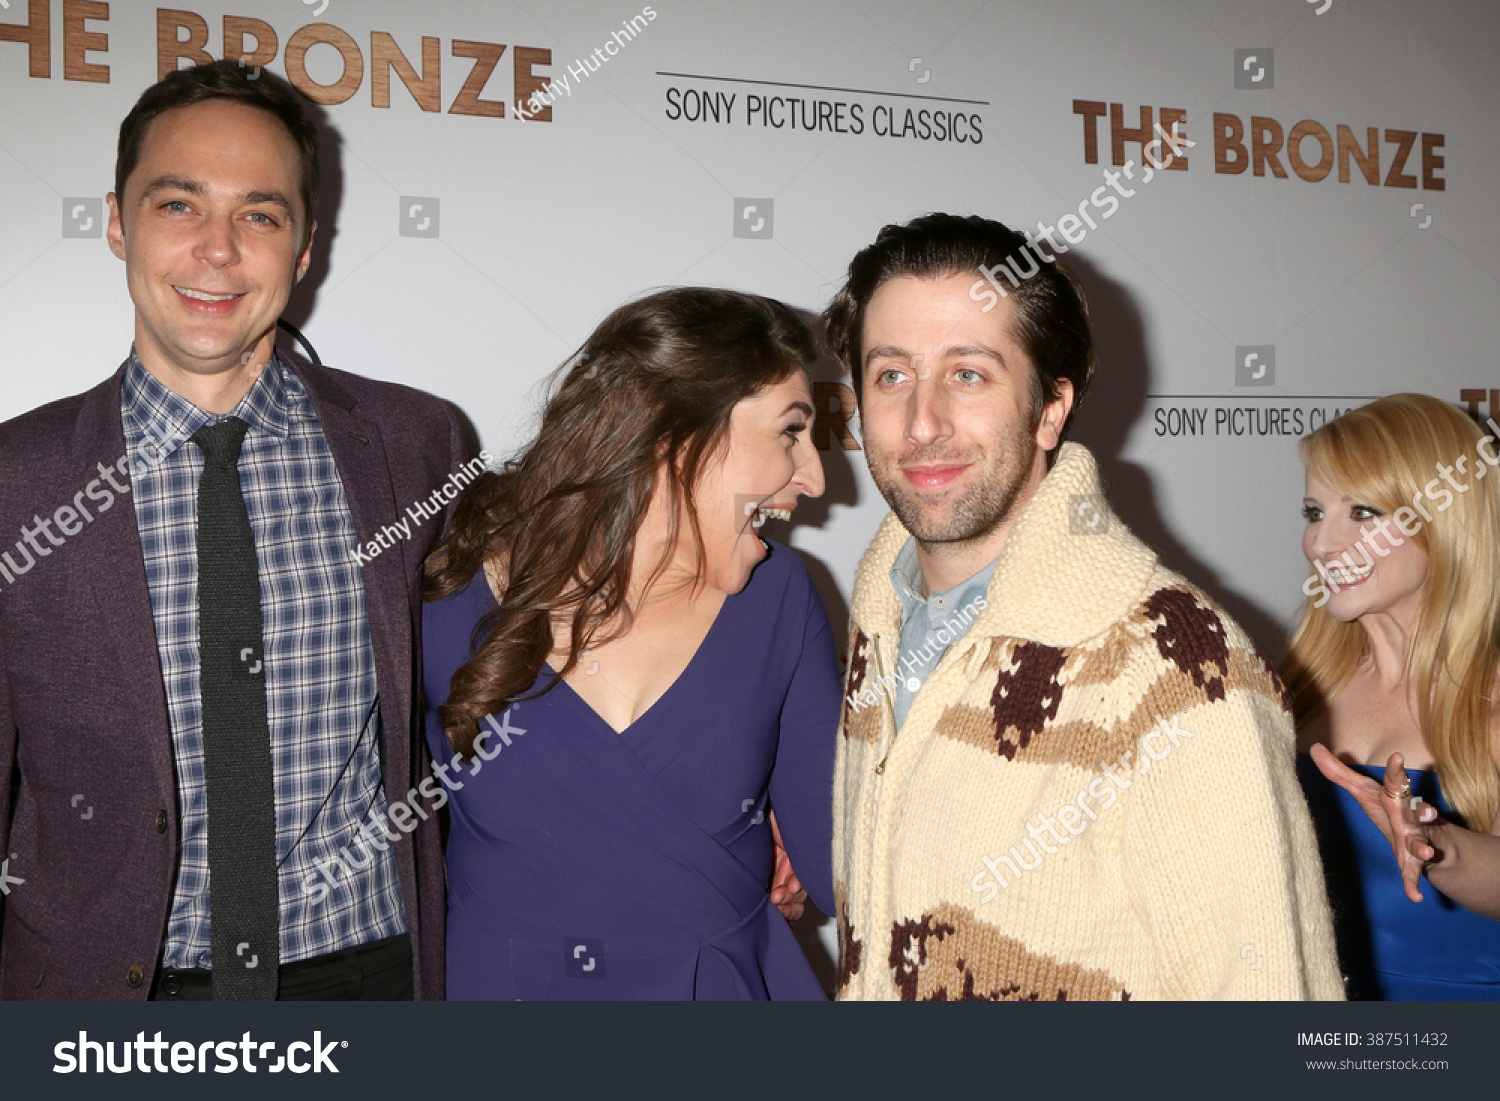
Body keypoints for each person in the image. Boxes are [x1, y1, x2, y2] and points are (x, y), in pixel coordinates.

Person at [0, 61, 461, 1000]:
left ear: (302, 249)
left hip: (366, 978)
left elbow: (494, 684)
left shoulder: (414, 445)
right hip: (104, 996)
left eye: (259, 214)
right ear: (118, 221)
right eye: (178, 205)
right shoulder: (17, 479)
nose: (218, 251)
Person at [819, 212, 1342, 1000]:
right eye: (892, 375)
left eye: (969, 374)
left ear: (1052, 407)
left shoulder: (1177, 666)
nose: (921, 422)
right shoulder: (881, 627)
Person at [421, 286, 839, 1000]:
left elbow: (849, 867)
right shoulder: (448, 584)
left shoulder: (780, 597)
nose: (817, 477)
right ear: (667, 427)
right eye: (789, 431)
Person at [1287, 393, 1500, 999]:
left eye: (1363, 512)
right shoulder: (1288, 687)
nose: (1323, 544)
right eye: (1313, 511)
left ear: (1445, 522)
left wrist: (1437, 848)